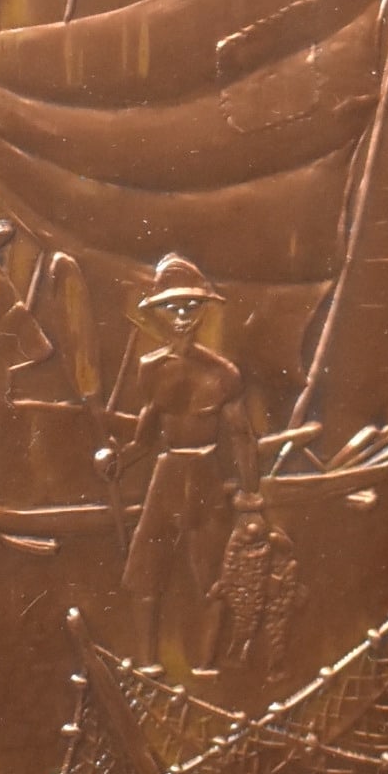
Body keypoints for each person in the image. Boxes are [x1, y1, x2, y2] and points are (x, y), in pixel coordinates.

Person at [95, 254, 260, 669]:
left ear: (204, 309)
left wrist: (251, 495)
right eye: (173, 308)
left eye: (191, 306)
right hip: (166, 476)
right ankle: (148, 663)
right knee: (145, 573)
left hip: (205, 477)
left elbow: (242, 437)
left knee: (213, 576)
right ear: (159, 313)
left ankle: (207, 667)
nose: (183, 317)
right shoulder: (150, 369)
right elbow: (145, 438)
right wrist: (118, 460)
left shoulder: (223, 373)